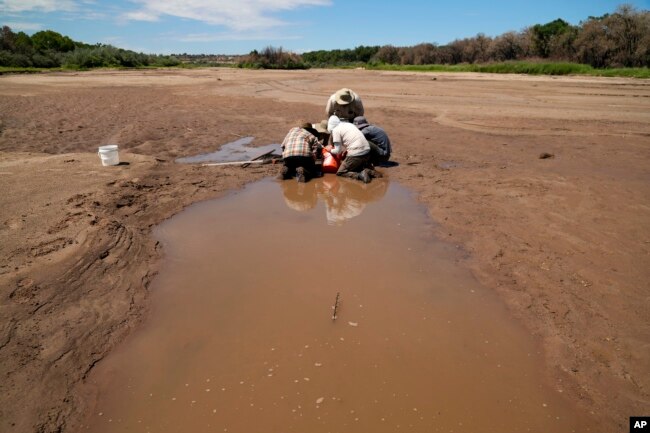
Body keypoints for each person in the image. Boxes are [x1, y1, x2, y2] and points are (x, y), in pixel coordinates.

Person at [326, 115, 376, 183]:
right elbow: (353, 139)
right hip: (367, 151)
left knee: (340, 172)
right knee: (356, 167)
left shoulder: (335, 130)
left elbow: (338, 151)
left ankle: (359, 175)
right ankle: (369, 171)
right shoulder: (348, 124)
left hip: (357, 153)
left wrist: (329, 150)